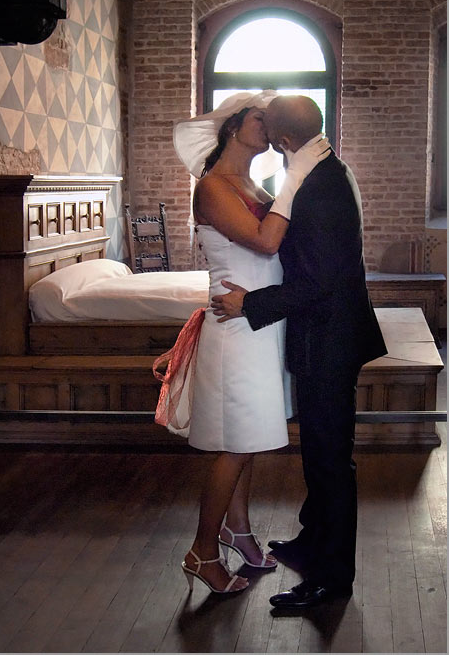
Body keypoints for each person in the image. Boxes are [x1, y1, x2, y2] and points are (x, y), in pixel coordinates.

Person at [211, 94, 387, 608]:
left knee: (330, 460)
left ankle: (331, 579)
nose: (265, 135)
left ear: (284, 140)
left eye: (269, 129)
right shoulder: (322, 169)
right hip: (325, 335)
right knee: (318, 452)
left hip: (329, 339)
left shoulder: (317, 185)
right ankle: (313, 541)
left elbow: (320, 281)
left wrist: (250, 303)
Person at [156, 91, 330, 595]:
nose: (268, 125)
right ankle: (202, 551)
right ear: (233, 127)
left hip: (260, 321)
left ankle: (237, 530)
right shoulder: (212, 187)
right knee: (234, 446)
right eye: (259, 118)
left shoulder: (252, 183)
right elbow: (266, 241)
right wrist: (296, 177)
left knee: (247, 439)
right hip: (235, 331)